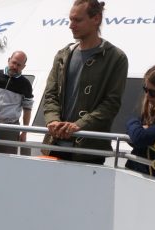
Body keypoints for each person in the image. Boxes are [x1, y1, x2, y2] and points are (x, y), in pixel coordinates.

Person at [43, 0, 128, 165]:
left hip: (89, 151)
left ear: (96, 19)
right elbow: (50, 94)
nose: (71, 25)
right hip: (54, 146)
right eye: (70, 19)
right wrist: (53, 120)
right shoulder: (63, 55)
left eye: (77, 20)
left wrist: (79, 125)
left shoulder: (116, 58)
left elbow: (111, 103)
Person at [0, 50, 33, 154]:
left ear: (23, 67)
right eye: (14, 62)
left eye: (19, 65)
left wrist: (24, 132)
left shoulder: (25, 84)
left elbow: (27, 110)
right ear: (8, 60)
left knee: (7, 160)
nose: (15, 67)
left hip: (9, 129)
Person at [125, 63, 155, 177]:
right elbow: (135, 138)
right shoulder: (151, 111)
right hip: (138, 175)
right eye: (145, 90)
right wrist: (138, 128)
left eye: (152, 92)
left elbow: (139, 137)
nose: (147, 95)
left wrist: (133, 124)